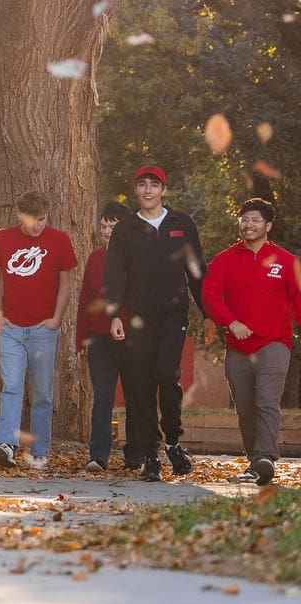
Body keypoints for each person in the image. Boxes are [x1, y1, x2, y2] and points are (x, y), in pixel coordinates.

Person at [103, 164, 206, 481]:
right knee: (140, 384)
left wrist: (210, 315)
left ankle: (173, 441)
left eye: (154, 185)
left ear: (163, 189)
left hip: (173, 316)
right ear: (136, 190)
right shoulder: (125, 230)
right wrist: (113, 315)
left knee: (166, 375)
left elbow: (197, 272)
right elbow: (114, 277)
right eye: (142, 184)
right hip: (135, 319)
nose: (148, 190)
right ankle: (150, 455)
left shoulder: (182, 224)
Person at [201, 198, 301, 486]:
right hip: (238, 346)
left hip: (274, 343)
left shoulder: (285, 261)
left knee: (267, 400)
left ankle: (266, 457)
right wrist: (230, 322)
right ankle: (255, 460)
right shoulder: (224, 260)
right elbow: (210, 295)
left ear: (268, 225)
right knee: (245, 407)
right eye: (244, 219)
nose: (249, 224)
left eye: (255, 219)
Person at [0, 190, 77, 470]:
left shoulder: (60, 240)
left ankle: (38, 452)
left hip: (43, 329)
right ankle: (6, 444)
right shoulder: (2, 238)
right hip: (11, 328)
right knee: (11, 386)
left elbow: (66, 282)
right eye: (33, 220)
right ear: (19, 215)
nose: (39, 225)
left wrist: (57, 318)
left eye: (43, 219)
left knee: (42, 393)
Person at [76, 200, 133, 472]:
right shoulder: (95, 258)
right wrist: (80, 339)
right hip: (99, 338)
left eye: (113, 226)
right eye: (103, 226)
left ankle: (137, 455)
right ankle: (98, 456)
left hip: (132, 338)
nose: (107, 231)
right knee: (102, 397)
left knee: (136, 396)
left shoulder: (137, 257)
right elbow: (86, 299)